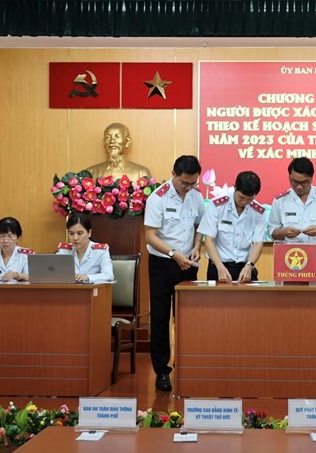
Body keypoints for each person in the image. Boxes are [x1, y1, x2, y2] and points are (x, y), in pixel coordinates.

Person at [144, 155, 204, 391]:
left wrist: (197, 246)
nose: (188, 188)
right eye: (184, 183)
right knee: (160, 318)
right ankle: (161, 371)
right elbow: (150, 236)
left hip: (188, 262)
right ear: (174, 174)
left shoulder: (196, 197)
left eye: (193, 183)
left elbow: (200, 226)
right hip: (162, 262)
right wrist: (173, 254)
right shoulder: (157, 198)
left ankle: (187, 363)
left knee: (188, 317)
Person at [268, 157, 316, 266]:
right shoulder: (280, 201)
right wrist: (284, 232)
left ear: (311, 178)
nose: (299, 186)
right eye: (294, 182)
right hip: (288, 262)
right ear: (289, 177)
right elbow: (271, 232)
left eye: (304, 182)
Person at [197, 171, 266, 283]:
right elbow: (209, 241)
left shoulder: (259, 212)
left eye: (249, 199)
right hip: (219, 265)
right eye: (241, 197)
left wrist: (249, 266)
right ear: (234, 187)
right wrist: (220, 267)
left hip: (245, 267)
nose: (244, 202)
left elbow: (258, 243)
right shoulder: (216, 206)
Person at [56, 212, 114, 284]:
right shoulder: (64, 251)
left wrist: (87, 277)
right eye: (71, 233)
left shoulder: (100, 251)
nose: (75, 238)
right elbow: (54, 272)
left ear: (89, 232)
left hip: (91, 293)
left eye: (80, 233)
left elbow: (109, 275)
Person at [86, 122, 152, 182]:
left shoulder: (141, 173)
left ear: (127, 142)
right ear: (104, 142)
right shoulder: (91, 172)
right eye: (108, 137)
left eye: (117, 136)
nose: (112, 141)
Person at [0, 217, 34, 281]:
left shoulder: (26, 256)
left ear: (18, 238)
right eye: (2, 236)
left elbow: (33, 277)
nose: (5, 240)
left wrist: (17, 275)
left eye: (10, 236)